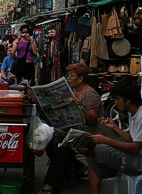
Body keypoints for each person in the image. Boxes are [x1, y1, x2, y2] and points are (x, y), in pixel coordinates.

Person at [85, 79, 142, 194]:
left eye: (118, 99)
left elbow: (135, 148)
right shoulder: (133, 113)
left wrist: (107, 140)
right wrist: (114, 127)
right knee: (92, 155)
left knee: (100, 148)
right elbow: (132, 139)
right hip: (139, 155)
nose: (116, 102)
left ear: (128, 100)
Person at [39, 63, 101, 194]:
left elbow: (92, 119)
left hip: (86, 134)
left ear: (80, 78)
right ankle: (78, 168)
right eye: (68, 76)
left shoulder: (89, 94)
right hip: (70, 131)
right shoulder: (73, 91)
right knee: (51, 144)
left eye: (71, 76)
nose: (69, 78)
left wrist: (80, 108)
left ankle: (50, 185)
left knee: (60, 150)